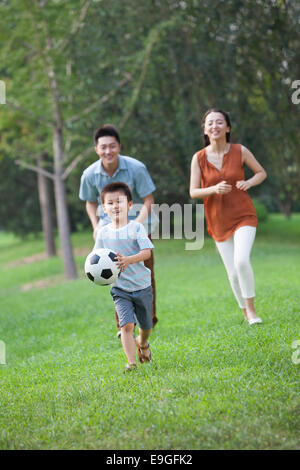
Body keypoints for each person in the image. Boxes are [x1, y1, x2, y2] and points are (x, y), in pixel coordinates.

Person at [189, 108, 267, 325]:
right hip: (218, 220)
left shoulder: (240, 151)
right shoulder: (199, 158)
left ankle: (252, 312)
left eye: (219, 122)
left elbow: (261, 172)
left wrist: (249, 182)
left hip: (244, 215)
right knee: (232, 273)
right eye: (210, 123)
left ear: (228, 127)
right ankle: (244, 312)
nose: (215, 126)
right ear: (205, 129)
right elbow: (193, 192)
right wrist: (213, 189)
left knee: (241, 260)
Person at [79, 124, 158, 333]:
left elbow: (148, 199)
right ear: (96, 149)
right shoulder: (89, 174)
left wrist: (137, 224)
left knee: (145, 275)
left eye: (112, 146)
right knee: (115, 276)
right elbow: (89, 202)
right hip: (110, 231)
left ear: (119, 147)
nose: (108, 151)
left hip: (138, 228)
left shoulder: (136, 168)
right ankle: (124, 325)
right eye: (103, 147)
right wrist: (96, 227)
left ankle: (148, 321)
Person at [94, 182, 154, 372]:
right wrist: (92, 273)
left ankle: (143, 344)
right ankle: (131, 363)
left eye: (119, 201)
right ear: (104, 208)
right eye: (110, 203)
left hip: (142, 285)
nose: (115, 206)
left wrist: (128, 260)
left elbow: (147, 253)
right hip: (120, 289)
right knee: (126, 326)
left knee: (146, 326)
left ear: (129, 204)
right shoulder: (103, 233)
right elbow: (95, 258)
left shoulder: (136, 228)